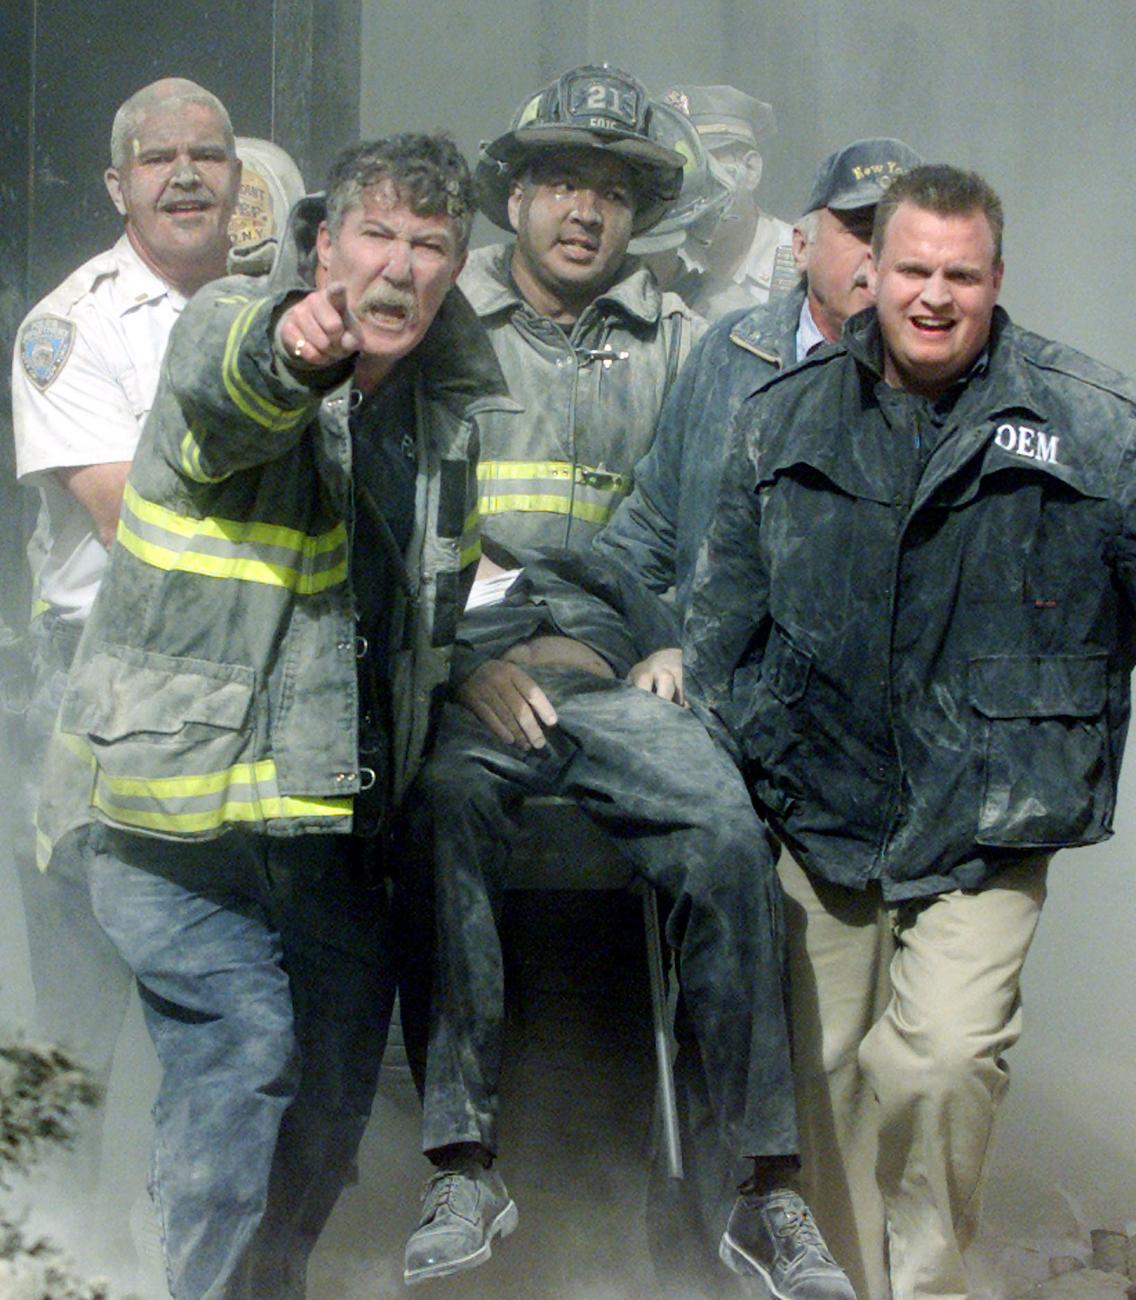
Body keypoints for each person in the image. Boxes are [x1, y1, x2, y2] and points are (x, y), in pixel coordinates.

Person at [400, 65, 852, 1300]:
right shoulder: (438, 324)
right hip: (468, 667)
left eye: (611, 189)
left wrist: (672, 648)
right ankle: (461, 1163)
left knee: (721, 828)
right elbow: (392, 531)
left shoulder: (681, 345)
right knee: (443, 805)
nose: (584, 211)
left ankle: (758, 1191)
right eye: (559, 181)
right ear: (515, 194)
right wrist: (461, 670)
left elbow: (716, 533)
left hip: (610, 664)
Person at [36, 131, 500, 1300]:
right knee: (243, 1049)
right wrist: (296, 351)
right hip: (171, 818)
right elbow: (238, 382)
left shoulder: (447, 421)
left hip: (325, 820)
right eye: (375, 236)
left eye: (429, 244)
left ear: (456, 267)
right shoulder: (230, 324)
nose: (396, 269)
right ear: (323, 244)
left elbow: (422, 615)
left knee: (338, 1086)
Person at [684, 163, 1136, 1300]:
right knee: (825, 1081)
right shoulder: (778, 419)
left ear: (996, 278)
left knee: (933, 1063)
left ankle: (924, 1287)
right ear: (867, 272)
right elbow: (717, 634)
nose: (933, 297)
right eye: (913, 270)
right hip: (816, 819)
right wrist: (759, 755)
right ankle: (846, 1283)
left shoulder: (1091, 425)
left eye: (960, 274)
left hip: (988, 819)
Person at [9, 76, 242, 1253]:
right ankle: (54, 1250)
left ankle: (202, 1262)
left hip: (246, 697)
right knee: (83, 1013)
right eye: (160, 160)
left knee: (227, 1009)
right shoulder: (71, 324)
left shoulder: (278, 309)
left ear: (240, 179)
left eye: (209, 154)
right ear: (118, 186)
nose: (187, 175)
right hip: (96, 687)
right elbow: (123, 521)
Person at [655, 83, 796, 320]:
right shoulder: (664, 260)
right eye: (684, 173)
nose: (693, 190)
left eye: (710, 174)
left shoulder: (804, 263)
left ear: (751, 170)